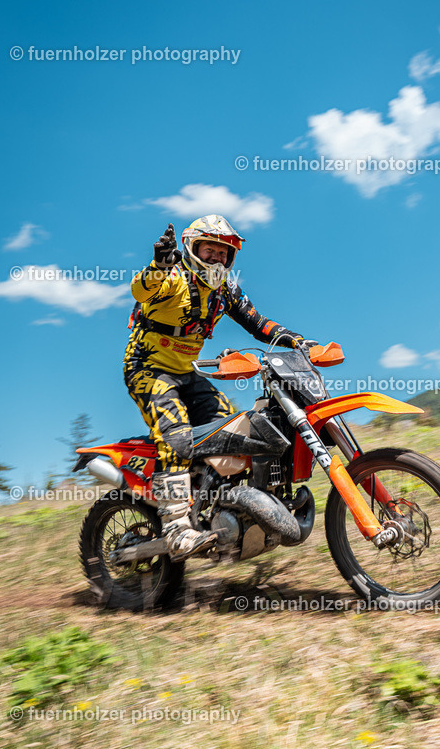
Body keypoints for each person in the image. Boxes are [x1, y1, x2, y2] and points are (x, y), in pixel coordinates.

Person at [124, 215, 315, 560]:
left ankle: (226, 509)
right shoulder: (171, 278)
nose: (217, 259)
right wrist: (157, 264)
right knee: (177, 437)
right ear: (192, 249)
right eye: (209, 251)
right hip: (149, 370)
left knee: (234, 430)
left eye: (224, 253)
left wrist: (299, 342)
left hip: (188, 373)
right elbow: (141, 289)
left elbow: (258, 323)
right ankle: (176, 529)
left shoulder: (224, 290)